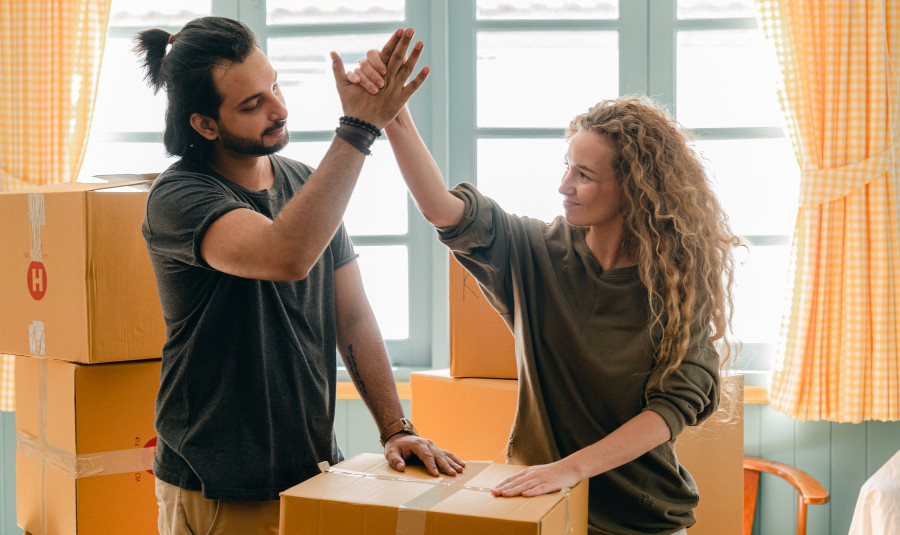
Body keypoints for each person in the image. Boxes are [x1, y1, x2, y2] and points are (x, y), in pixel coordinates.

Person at [350, 42, 739, 535]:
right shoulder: (534, 251)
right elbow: (442, 209)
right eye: (567, 165)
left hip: (642, 520)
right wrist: (394, 116)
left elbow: (670, 410)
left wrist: (570, 469)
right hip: (538, 508)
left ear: (634, 188)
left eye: (584, 174)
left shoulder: (677, 283)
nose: (563, 185)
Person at [133, 18, 463, 535]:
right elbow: (284, 255)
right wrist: (359, 128)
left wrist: (395, 429)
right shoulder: (179, 198)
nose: (279, 109)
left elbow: (352, 316)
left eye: (275, 85)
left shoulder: (304, 182)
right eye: (251, 105)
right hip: (217, 487)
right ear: (205, 125)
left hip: (313, 473)